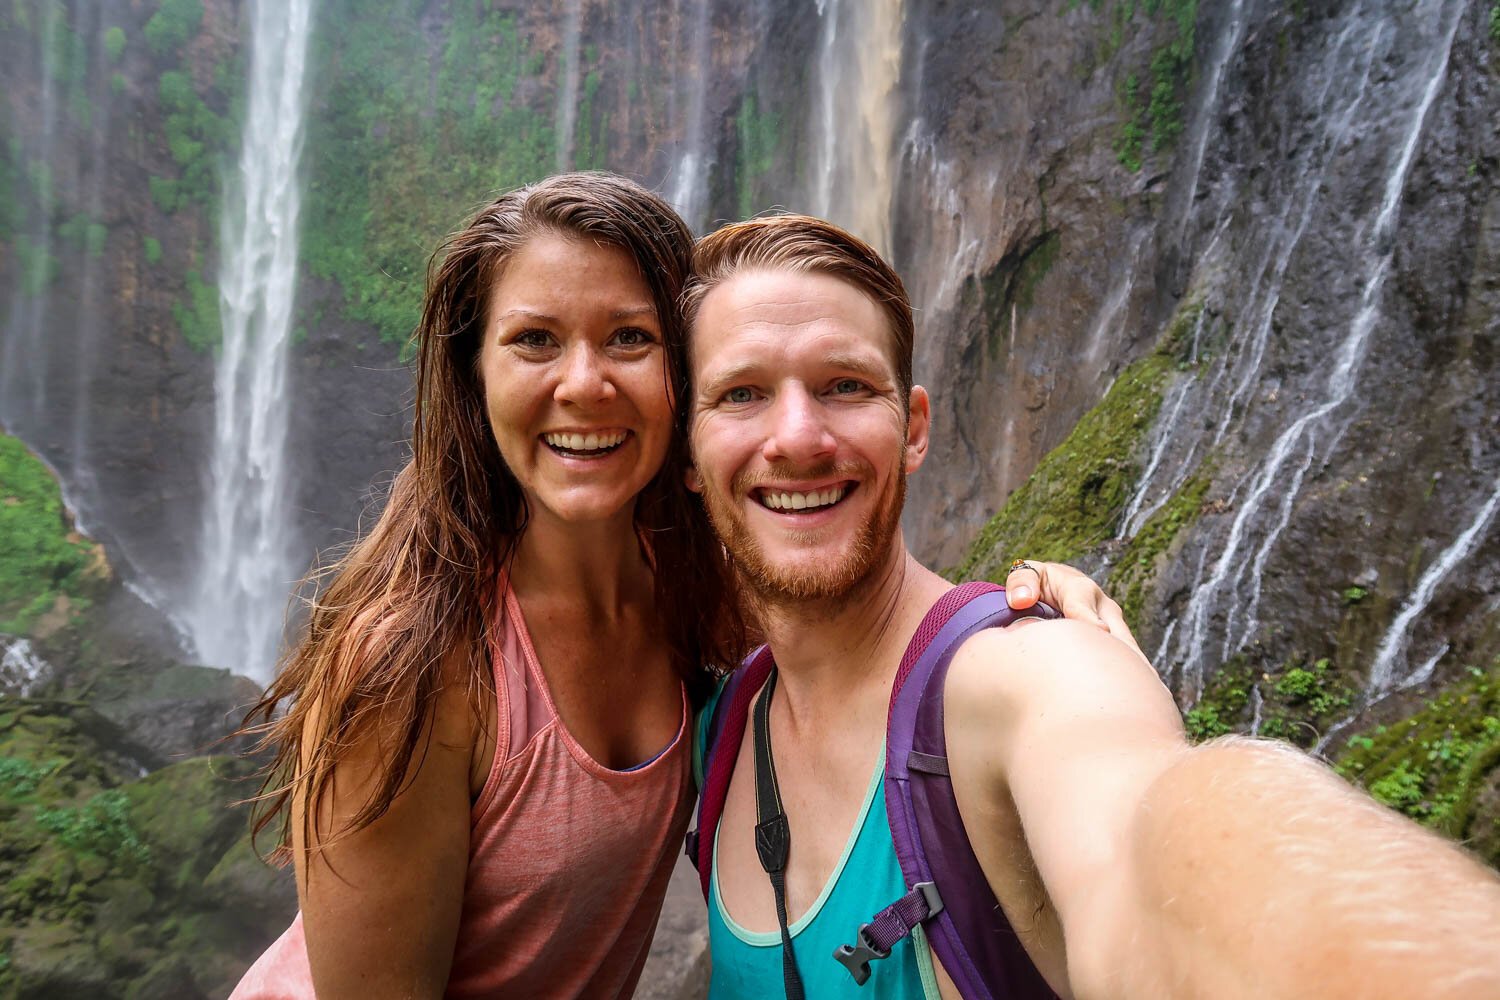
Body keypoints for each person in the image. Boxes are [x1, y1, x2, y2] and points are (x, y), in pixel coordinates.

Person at [229, 173, 1126, 999]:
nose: (584, 383)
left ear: (681, 390)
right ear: (476, 377)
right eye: (534, 340)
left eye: (629, 338)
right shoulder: (413, 668)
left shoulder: (708, 598)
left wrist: (1037, 609)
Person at [681, 213, 1500, 1000]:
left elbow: (1146, 848)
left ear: (915, 428)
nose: (796, 436)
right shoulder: (715, 726)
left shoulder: (1025, 675)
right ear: (686, 452)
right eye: (742, 394)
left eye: (846, 385)